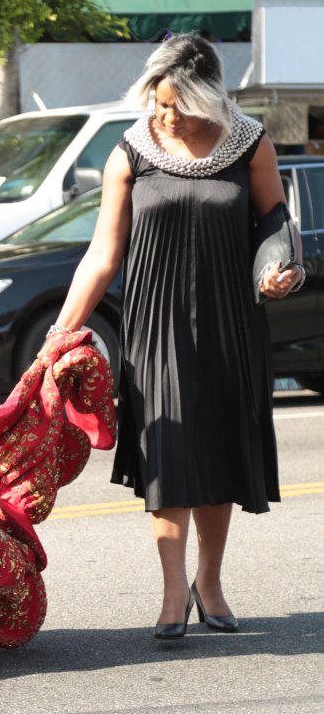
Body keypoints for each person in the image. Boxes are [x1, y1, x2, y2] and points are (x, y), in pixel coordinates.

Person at [46, 33, 305, 640]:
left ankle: (208, 583)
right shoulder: (131, 151)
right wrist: (61, 331)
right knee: (167, 453)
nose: (166, 115)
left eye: (179, 104)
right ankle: (171, 591)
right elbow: (102, 255)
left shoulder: (250, 143)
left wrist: (279, 267)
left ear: (209, 97)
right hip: (155, 325)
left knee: (217, 450)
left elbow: (274, 222)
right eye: (159, 102)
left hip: (230, 321)